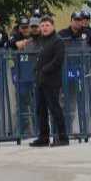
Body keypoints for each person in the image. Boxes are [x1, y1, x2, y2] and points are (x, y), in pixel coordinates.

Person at [30, 16, 68, 147]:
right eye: (42, 25)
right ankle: (43, 137)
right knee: (41, 110)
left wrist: (45, 69)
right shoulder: (41, 41)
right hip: (40, 80)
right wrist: (36, 70)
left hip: (51, 81)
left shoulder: (57, 41)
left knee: (54, 109)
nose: (44, 28)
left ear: (52, 26)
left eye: (47, 25)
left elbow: (58, 60)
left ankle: (62, 137)